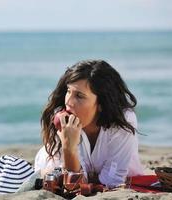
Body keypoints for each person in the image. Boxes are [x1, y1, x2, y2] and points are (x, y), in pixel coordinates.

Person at [34, 60, 144, 188]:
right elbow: (73, 183)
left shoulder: (123, 120)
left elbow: (112, 180)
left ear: (102, 104)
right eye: (68, 91)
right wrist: (69, 148)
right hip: (48, 165)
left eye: (79, 96)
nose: (68, 102)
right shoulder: (62, 118)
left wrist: (85, 177)